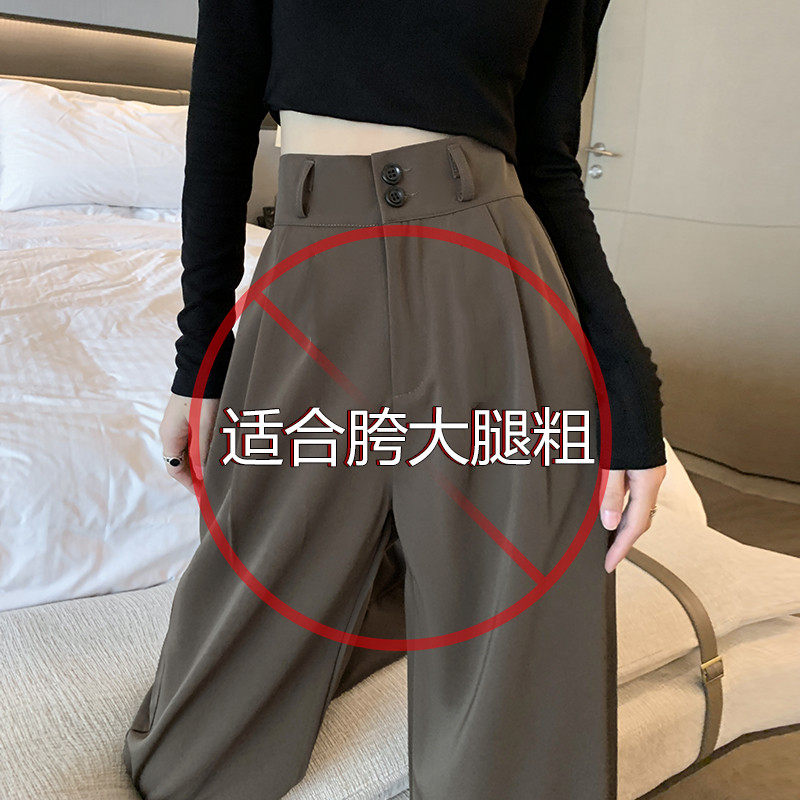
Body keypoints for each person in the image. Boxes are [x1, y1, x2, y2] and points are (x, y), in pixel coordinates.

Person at [124, 1, 667, 798]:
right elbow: (220, 124)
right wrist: (199, 359)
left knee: (529, 642)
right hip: (314, 273)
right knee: (190, 754)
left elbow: (547, 159)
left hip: (493, 274)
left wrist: (631, 386)